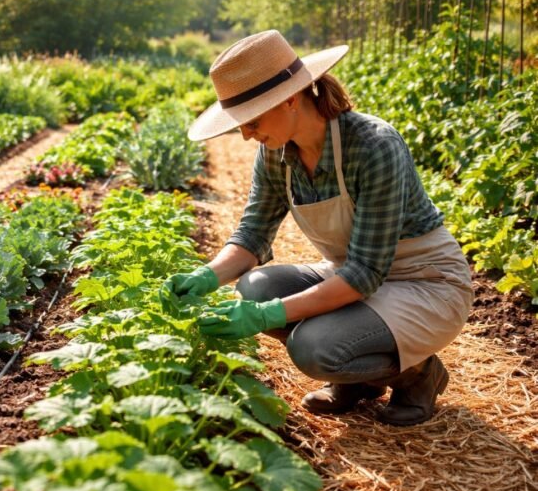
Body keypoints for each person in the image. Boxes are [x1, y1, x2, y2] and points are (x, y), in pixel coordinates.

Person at [161, 30, 474, 426]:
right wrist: (206, 276)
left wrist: (263, 316)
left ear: (289, 98)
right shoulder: (275, 154)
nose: (245, 134)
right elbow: (252, 235)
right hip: (353, 275)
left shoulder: (373, 145)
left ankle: (419, 375)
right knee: (255, 287)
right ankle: (359, 380)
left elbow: (365, 273)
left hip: (424, 281)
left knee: (314, 349)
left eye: (251, 120)